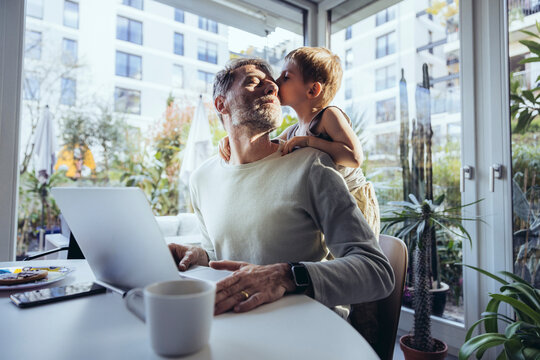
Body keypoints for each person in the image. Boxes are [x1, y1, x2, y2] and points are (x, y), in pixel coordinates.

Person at [169, 58, 393, 319]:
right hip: (234, 324)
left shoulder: (311, 166)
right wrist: (196, 255)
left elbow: (377, 272)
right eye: (253, 82)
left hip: (307, 329)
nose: (272, 88)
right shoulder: (202, 178)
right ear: (221, 104)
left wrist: (287, 275)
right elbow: (217, 256)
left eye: (273, 84)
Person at [219, 47, 380, 238]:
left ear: (312, 90)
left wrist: (309, 141)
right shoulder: (296, 129)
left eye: (286, 77)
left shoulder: (329, 115)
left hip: (355, 200)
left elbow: (354, 157)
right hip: (328, 205)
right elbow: (269, 144)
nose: (276, 83)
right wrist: (232, 137)